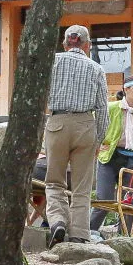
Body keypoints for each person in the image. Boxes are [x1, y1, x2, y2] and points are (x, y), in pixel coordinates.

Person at [44, 26, 109, 246]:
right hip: (85, 125)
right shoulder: (96, 68)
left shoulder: (52, 62)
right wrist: (98, 139)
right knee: (82, 186)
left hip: (57, 123)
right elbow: (102, 109)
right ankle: (80, 234)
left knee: (54, 181)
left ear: (65, 44)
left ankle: (58, 221)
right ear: (87, 46)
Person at [90, 76, 133, 232]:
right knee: (104, 199)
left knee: (129, 200)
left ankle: (124, 236)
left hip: (130, 159)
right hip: (109, 158)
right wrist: (99, 144)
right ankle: (88, 233)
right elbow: (95, 124)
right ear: (126, 89)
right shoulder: (111, 108)